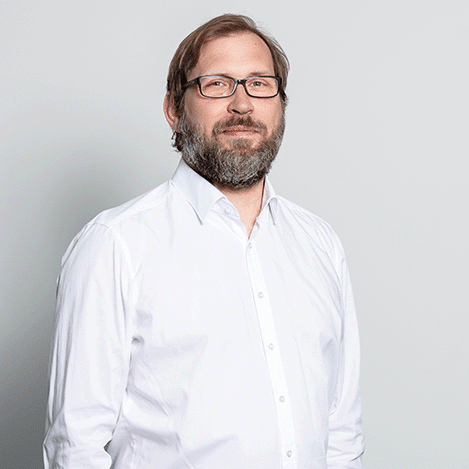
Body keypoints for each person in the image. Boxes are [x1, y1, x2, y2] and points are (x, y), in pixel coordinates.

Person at [43, 13, 364, 469]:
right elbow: (75, 446)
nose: (242, 104)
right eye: (217, 84)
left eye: (260, 84)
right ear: (174, 110)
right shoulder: (115, 246)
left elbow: (341, 434)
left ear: (280, 104)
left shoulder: (320, 245)